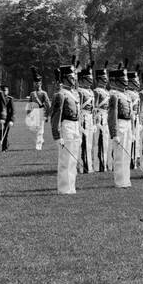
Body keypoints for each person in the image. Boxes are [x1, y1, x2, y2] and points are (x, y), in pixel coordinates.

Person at [50, 63, 82, 195]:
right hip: (66, 127)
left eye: (74, 76)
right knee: (65, 160)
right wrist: (57, 136)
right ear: (65, 78)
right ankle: (64, 188)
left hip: (74, 126)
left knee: (73, 159)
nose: (74, 79)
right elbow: (55, 116)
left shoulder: (74, 93)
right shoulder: (60, 95)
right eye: (71, 77)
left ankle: (71, 187)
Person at [25, 69, 50, 150]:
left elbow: (48, 105)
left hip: (41, 111)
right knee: (35, 129)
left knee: (40, 129)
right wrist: (28, 114)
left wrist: (47, 115)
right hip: (34, 112)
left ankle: (38, 146)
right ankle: (41, 140)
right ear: (34, 84)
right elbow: (29, 104)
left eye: (38, 83)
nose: (37, 85)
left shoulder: (44, 93)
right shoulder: (32, 94)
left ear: (41, 84)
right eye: (36, 83)